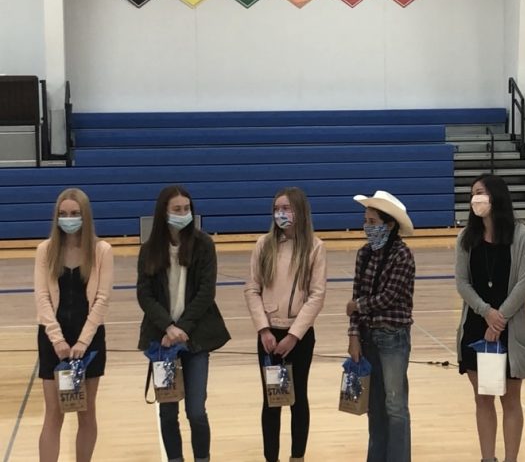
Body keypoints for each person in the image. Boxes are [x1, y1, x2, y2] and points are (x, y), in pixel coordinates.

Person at [136, 185, 230, 462]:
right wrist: (167, 326)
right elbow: (145, 294)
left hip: (196, 338)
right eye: (177, 209)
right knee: (168, 411)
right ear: (164, 212)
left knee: (196, 411)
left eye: (186, 209)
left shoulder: (204, 245)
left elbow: (205, 293)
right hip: (162, 342)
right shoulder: (149, 250)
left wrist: (183, 328)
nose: (183, 214)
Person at [455, 174, 525, 462]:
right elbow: (462, 283)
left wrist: (499, 318)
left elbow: (524, 283)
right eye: (472, 193)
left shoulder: (521, 236)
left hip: (511, 330)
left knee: (510, 400)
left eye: (481, 192)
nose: (475, 198)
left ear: (496, 196)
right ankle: (487, 458)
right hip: (476, 327)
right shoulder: (466, 237)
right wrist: (486, 312)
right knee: (482, 398)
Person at [244, 188, 327, 462]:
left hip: (299, 337)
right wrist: (264, 329)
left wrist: (293, 335)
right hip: (269, 336)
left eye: (287, 208)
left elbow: (316, 295)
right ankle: (271, 457)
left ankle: (297, 456)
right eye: (277, 208)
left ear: (300, 211)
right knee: (272, 400)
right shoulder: (263, 245)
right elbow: (252, 289)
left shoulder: (315, 247)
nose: (281, 213)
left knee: (297, 397)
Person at [34, 188, 114, 462]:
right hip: (53, 341)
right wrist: (57, 340)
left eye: (75, 214)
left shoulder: (102, 251)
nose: (69, 219)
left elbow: (102, 299)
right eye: (63, 214)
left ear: (85, 216)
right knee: (54, 413)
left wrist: (82, 342)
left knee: (86, 411)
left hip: (88, 341)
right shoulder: (45, 250)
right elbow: (42, 298)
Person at [346, 190, 416, 462]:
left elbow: (390, 295)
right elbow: (356, 294)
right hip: (367, 337)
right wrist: (353, 335)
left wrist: (359, 306)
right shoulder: (363, 255)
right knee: (374, 407)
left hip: (393, 338)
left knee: (395, 405)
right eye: (365, 221)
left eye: (372, 222)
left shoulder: (403, 255)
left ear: (389, 225)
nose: (367, 227)